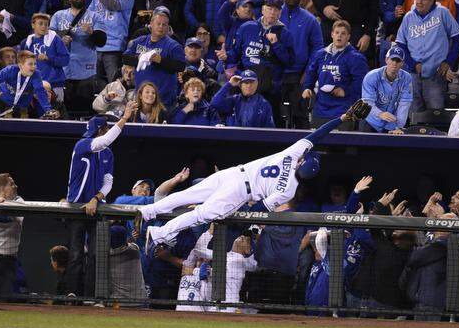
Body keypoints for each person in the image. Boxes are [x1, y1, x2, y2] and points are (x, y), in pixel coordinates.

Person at [137, 98, 371, 253]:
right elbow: (259, 208)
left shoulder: (292, 153)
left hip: (232, 174)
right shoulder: (288, 189)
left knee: (186, 195)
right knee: (200, 215)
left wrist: (342, 118)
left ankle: (147, 211)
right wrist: (240, 219)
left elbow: (318, 134)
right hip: (240, 192)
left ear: (302, 161)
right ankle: (159, 233)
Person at [65, 100, 136, 297]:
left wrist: (96, 198)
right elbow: (103, 141)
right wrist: (124, 119)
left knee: (97, 256)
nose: (108, 130)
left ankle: (92, 297)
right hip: (76, 206)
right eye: (106, 127)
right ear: (99, 129)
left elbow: (108, 182)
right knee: (76, 255)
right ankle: (71, 295)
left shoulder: (107, 154)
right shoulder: (82, 145)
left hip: (97, 207)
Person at [396, 0, 459, 115]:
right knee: (413, 113)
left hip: (436, 72)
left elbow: (458, 38)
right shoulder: (408, 17)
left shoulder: (443, 13)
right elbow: (400, 44)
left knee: (436, 113)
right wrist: (412, 64)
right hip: (413, 73)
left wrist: (448, 62)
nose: (419, 2)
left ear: (432, 1)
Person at [227, 0, 291, 119]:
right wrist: (230, 67)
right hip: (245, 82)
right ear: (262, 10)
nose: (272, 12)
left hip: (269, 88)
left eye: (276, 9)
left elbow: (288, 61)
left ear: (280, 13)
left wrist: (276, 44)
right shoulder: (247, 27)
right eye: (269, 8)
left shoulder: (284, 33)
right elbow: (234, 53)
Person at [301, 17, 366, 130]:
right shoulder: (320, 54)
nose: (339, 36)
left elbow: (361, 83)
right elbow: (310, 73)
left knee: (340, 145)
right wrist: (307, 88)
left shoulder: (356, 58)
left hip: (343, 111)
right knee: (318, 143)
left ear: (348, 37)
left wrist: (345, 91)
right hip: (320, 109)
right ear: (332, 34)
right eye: (337, 32)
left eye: (343, 33)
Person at [310, 0, 377, 61]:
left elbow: (373, 9)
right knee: (323, 63)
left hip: (355, 30)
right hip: (328, 26)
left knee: (350, 66)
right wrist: (324, 8)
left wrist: (367, 34)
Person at [51, 0, 102, 113]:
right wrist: (61, 41)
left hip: (86, 70)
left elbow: (102, 41)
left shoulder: (94, 16)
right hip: (63, 70)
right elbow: (48, 41)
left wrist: (92, 32)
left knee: (85, 110)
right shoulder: (58, 16)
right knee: (63, 110)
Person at [278, 0, 321, 126]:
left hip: (299, 74)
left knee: (300, 114)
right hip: (277, 73)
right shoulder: (274, 14)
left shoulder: (310, 20)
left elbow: (317, 48)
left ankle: (303, 146)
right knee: (276, 113)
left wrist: (308, 72)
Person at [121, 5, 185, 104]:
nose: (161, 27)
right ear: (151, 24)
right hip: (141, 98)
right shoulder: (140, 41)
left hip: (164, 100)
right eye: (158, 23)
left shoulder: (174, 45)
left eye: (164, 25)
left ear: (168, 27)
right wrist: (140, 57)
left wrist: (160, 60)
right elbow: (125, 58)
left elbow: (180, 66)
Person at [83, 0, 133, 83]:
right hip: (96, 47)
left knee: (115, 85)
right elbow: (89, 15)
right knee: (94, 84)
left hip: (114, 48)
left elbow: (113, 4)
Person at [0, 48, 53, 116]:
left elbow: (40, 92)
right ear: (20, 65)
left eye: (35, 64)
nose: (34, 67)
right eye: (30, 64)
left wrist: (48, 110)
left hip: (23, 108)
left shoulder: (36, 74)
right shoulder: (10, 71)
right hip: (3, 104)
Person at [359, 41, 409, 133]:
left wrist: (399, 127)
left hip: (391, 123)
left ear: (402, 63)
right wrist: (380, 114)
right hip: (370, 121)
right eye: (392, 59)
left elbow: (404, 104)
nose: (394, 63)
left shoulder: (407, 78)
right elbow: (367, 102)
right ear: (386, 60)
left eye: (398, 61)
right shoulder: (371, 76)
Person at [18, 12, 68, 101]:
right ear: (33, 25)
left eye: (46, 24)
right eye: (40, 23)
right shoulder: (26, 43)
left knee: (56, 112)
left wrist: (48, 58)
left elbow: (65, 60)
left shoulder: (55, 39)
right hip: (33, 86)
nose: (44, 26)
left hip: (54, 85)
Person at [376, 0, 411, 67]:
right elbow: (384, 16)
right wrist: (394, 14)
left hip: (411, 37)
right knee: (386, 69)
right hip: (389, 35)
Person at [177, 34, 217, 98]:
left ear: (202, 51)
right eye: (190, 47)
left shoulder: (209, 69)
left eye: (197, 47)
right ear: (185, 50)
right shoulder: (176, 65)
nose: (193, 50)